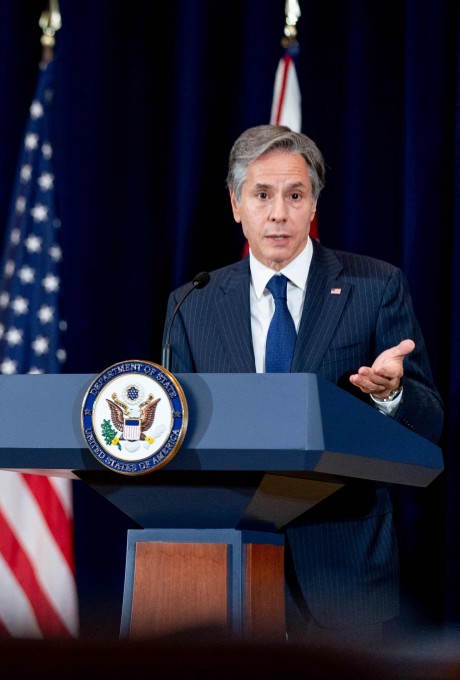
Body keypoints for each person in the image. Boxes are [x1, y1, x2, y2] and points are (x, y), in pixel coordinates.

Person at [162, 125, 443, 644]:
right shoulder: (193, 303)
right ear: (235, 204)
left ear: (313, 205)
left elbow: (431, 423)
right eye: (262, 195)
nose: (278, 213)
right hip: (225, 569)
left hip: (343, 570)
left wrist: (391, 396)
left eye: (295, 196)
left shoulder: (375, 288)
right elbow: (180, 437)